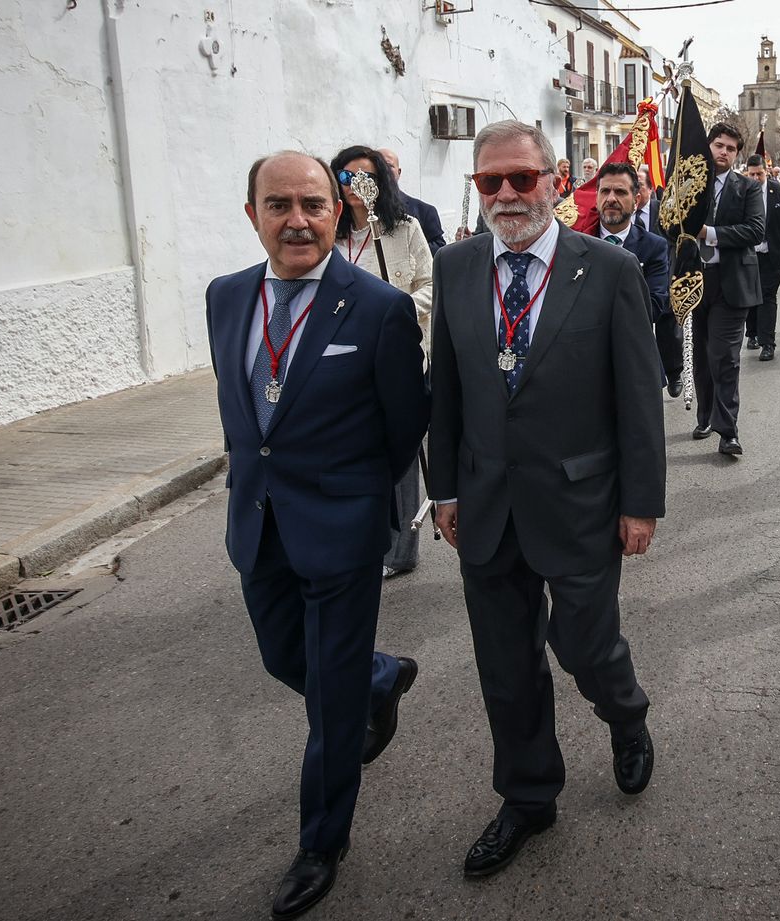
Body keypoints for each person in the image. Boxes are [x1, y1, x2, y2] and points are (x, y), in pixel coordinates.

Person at [427, 120, 667, 879]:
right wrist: (444, 489)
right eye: (489, 181)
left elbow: (639, 397)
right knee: (506, 666)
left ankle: (625, 712)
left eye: (522, 178)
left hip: (580, 502)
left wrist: (641, 503)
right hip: (487, 506)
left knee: (585, 647)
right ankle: (528, 798)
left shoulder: (610, 269)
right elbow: (446, 391)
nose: (506, 194)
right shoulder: (455, 266)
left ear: (556, 181)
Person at [205, 151, 428, 919]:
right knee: (281, 656)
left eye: (313, 204)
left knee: (330, 704)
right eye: (279, 205)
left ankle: (321, 843)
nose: (297, 220)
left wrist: (359, 501)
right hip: (258, 521)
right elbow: (240, 407)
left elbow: (404, 425)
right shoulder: (225, 296)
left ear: (339, 211)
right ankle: (379, 675)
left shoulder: (377, 308)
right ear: (253, 215)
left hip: (341, 530)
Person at [329, 145, 435, 579]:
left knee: (401, 453)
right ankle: (360, 539)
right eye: (346, 177)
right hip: (345, 357)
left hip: (396, 352)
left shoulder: (404, 228)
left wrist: (397, 311)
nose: (355, 185)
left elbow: (431, 284)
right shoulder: (329, 233)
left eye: (365, 177)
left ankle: (401, 550)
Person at [691, 123, 765, 456]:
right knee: (702, 356)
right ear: (708, 146)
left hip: (732, 282)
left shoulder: (747, 188)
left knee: (724, 357)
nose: (723, 152)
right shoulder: (689, 183)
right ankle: (705, 417)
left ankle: (728, 431)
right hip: (694, 281)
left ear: (737, 154)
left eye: (731, 148)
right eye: (719, 145)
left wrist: (709, 233)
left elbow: (755, 231)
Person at [597, 161, 683, 394]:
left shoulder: (653, 246)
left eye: (620, 192)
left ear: (636, 200)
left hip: (634, 362)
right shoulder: (576, 241)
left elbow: (655, 304)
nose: (611, 199)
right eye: (605, 191)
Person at [740, 155, 780, 361]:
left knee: (767, 297)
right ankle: (752, 333)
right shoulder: (740, 191)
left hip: (772, 254)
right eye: (752, 174)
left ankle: (767, 343)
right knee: (750, 296)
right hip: (748, 254)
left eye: (760, 174)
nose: (756, 178)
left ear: (766, 172)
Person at [378, 146, 447, 250]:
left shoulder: (424, 211)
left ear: (399, 172)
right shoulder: (359, 209)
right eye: (378, 166)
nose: (383, 170)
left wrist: (407, 249)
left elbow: (439, 248)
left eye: (389, 165)